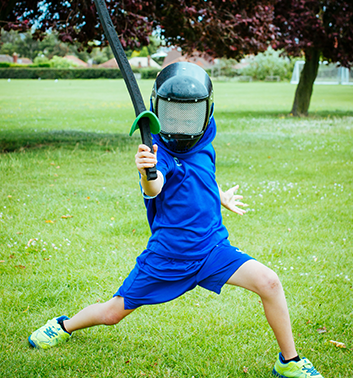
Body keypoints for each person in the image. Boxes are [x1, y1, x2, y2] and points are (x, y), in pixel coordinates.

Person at [29, 62, 323, 378]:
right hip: (168, 258)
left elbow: (201, 176)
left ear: (207, 111)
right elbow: (154, 189)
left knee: (270, 282)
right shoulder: (161, 155)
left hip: (212, 250)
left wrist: (219, 196)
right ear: (158, 108)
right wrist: (147, 171)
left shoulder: (204, 145)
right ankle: (63, 325)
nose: (181, 124)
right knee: (113, 312)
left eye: (190, 114)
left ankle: (288, 362)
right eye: (172, 114)